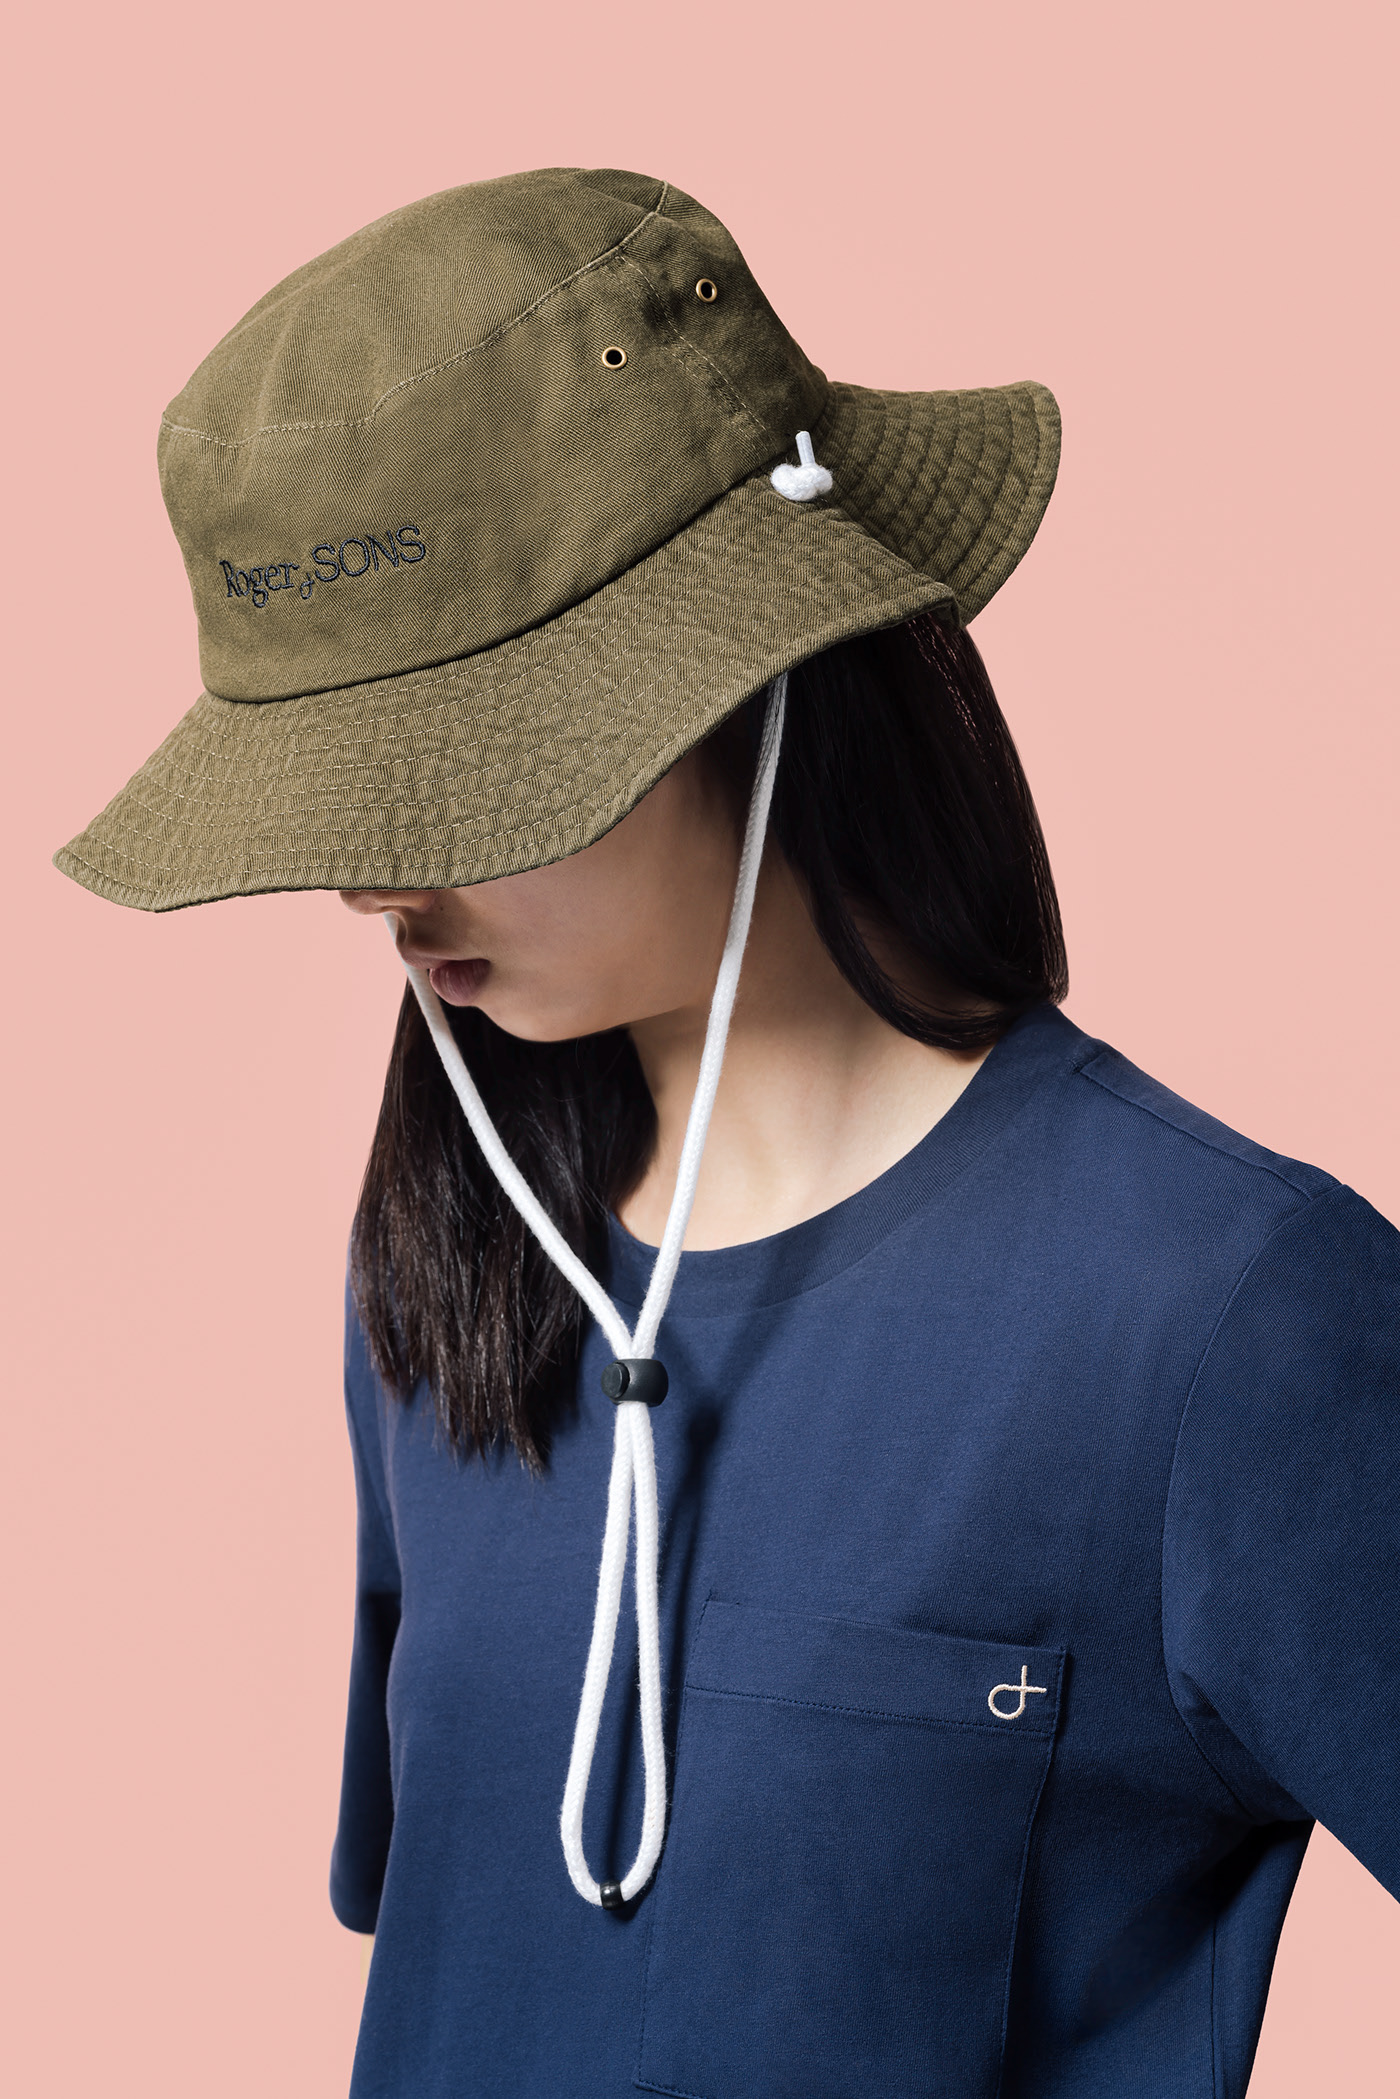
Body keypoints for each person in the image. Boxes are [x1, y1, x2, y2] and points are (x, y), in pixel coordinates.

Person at [55, 168, 1398, 2099]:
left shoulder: (1224, 1321)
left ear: (752, 669)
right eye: (338, 787)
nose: (371, 880)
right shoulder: (446, 1266)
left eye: (455, 767)